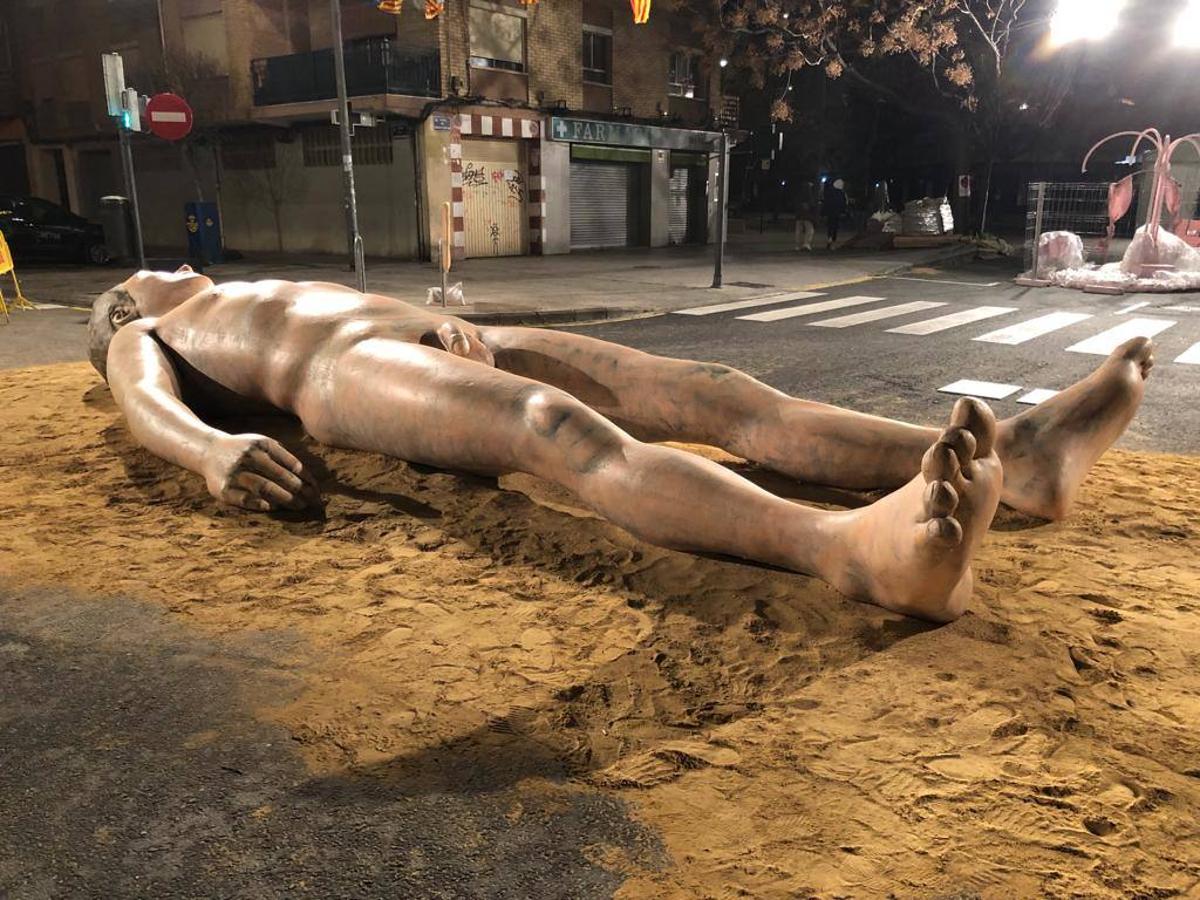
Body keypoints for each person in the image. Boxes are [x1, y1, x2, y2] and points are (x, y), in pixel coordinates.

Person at [90, 268, 1154, 623]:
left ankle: (1023, 455)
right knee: (555, 433)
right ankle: (843, 548)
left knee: (716, 389)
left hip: (441, 335)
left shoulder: (237, 276)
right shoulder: (151, 328)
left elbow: (372, 304)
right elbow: (146, 403)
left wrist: (447, 317)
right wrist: (205, 452)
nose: (135, 277)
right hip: (351, 383)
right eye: (121, 288)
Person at [824, 178, 847, 250]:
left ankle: (829, 239)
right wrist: (843, 212)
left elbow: (826, 203)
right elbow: (843, 204)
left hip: (830, 213)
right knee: (835, 228)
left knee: (830, 227)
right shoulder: (841, 193)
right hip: (837, 213)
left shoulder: (829, 192)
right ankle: (832, 241)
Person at [794, 182, 816, 252]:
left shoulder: (798, 195)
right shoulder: (809, 195)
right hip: (807, 216)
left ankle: (798, 245)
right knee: (809, 230)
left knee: (798, 230)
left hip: (799, 215)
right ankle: (806, 244)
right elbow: (812, 205)